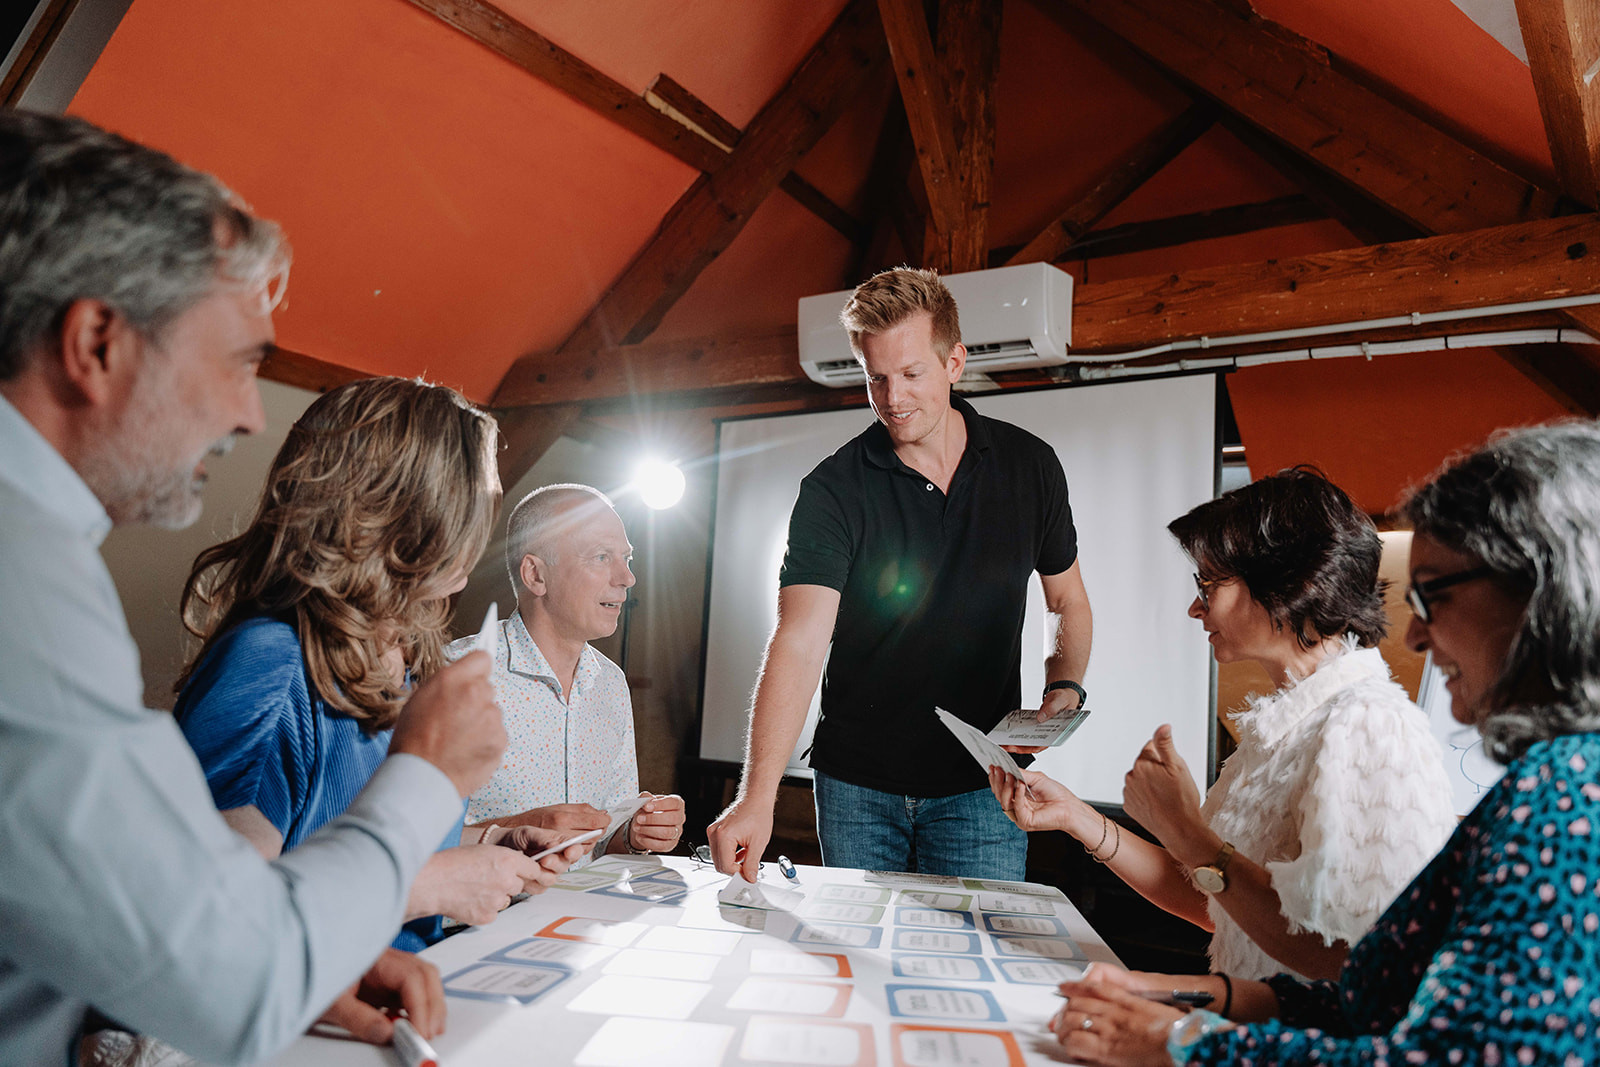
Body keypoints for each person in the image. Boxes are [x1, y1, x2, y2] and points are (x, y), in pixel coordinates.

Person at [0, 110, 507, 1065]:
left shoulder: (43, 559)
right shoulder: (23, 587)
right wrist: (429, 774)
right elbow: (220, 959)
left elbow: (141, 927)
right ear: (97, 342)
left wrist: (310, 964)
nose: (246, 412)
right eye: (237, 363)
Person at [1047, 422, 1600, 1066]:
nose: (1415, 635)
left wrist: (1184, 1044)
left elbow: (1361, 984)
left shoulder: (1560, 789)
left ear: (1539, 586)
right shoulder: (1542, 780)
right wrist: (1181, 999)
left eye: (1433, 595)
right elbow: (1369, 993)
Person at [992, 468, 1457, 980]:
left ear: (1288, 584)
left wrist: (1186, 832)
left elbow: (1352, 961)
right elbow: (1213, 902)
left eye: (1208, 584)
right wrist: (1077, 817)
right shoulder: (1284, 722)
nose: (1195, 607)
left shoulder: (1368, 726)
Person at [709, 267, 1094, 882]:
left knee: (977, 965)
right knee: (862, 967)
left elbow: (1067, 602)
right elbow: (801, 641)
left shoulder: (1031, 467)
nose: (893, 398)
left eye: (912, 374)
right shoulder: (832, 490)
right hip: (858, 786)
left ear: (955, 362)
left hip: (984, 783)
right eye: (876, 378)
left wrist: (1066, 686)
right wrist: (757, 797)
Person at [172, 378, 588, 947]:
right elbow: (214, 916)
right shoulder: (270, 665)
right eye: (475, 499)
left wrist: (491, 843)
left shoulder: (411, 657)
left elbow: (377, 832)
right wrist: (429, 887)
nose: (481, 522)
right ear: (403, 508)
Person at [448, 484, 686, 858]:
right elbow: (402, 838)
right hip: (482, 913)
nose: (627, 578)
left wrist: (637, 833)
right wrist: (517, 830)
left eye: (627, 558)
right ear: (535, 575)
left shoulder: (611, 683)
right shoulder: (454, 676)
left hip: (583, 912)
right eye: (602, 557)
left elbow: (606, 840)